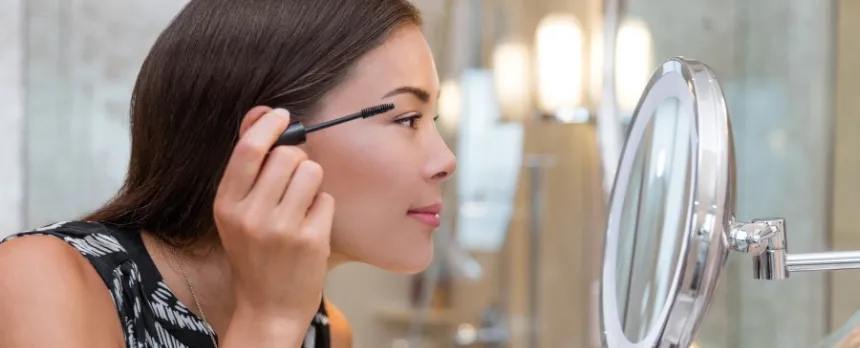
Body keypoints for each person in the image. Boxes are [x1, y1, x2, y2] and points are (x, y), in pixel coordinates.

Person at [0, 0, 456, 347]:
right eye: (406, 119)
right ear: (269, 139)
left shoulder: (327, 331)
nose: (446, 160)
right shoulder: (39, 280)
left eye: (431, 122)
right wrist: (268, 323)